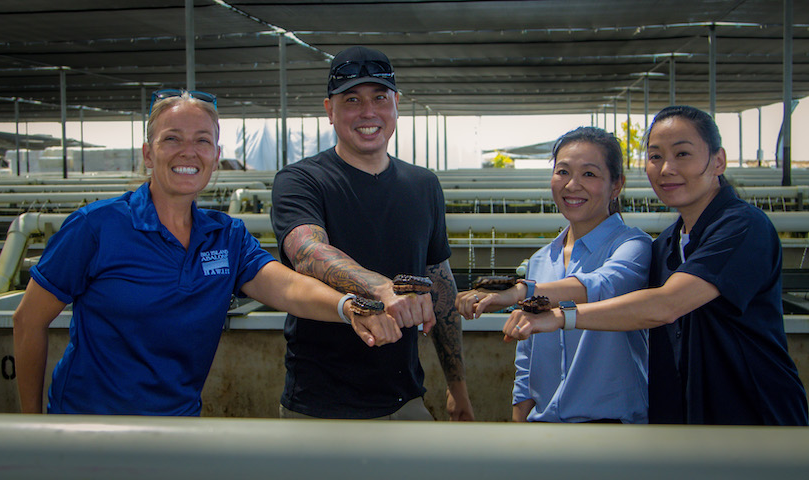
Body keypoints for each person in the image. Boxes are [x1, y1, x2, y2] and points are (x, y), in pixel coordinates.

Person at [12, 90, 403, 416]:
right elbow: (28, 321)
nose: (189, 152)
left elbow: (286, 288)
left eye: (202, 140)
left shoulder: (224, 235)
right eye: (172, 139)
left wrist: (349, 306)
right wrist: (31, 428)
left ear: (216, 155)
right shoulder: (96, 227)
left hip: (179, 426)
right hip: (89, 429)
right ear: (148, 154)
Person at [502, 105, 808, 426]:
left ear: (718, 161)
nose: (666, 169)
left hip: (752, 419)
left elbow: (664, 305)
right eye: (656, 156)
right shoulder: (664, 245)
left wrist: (560, 316)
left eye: (683, 154)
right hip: (687, 423)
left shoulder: (742, 227)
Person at [270, 46, 474, 421]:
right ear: (330, 110)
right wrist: (381, 289)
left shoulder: (423, 185)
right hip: (319, 407)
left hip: (405, 399)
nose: (368, 112)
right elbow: (307, 251)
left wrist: (457, 389)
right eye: (351, 100)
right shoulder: (301, 180)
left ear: (396, 104)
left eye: (380, 98)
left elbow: (440, 286)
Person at [456, 127, 652, 423]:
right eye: (563, 172)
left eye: (589, 174)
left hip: (612, 430)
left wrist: (521, 292)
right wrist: (519, 420)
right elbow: (527, 355)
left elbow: (602, 284)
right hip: (545, 426)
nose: (572, 185)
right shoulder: (541, 260)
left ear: (616, 186)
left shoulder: (633, 246)